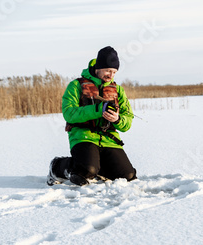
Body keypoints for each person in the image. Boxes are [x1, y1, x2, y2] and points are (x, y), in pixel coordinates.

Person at [47, 46, 137, 186]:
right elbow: (69, 114)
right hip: (83, 137)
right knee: (86, 170)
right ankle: (57, 167)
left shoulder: (118, 90)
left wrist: (118, 119)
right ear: (97, 67)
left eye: (114, 72)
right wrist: (97, 109)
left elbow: (128, 121)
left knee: (128, 175)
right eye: (107, 70)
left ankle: (98, 168)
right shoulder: (76, 85)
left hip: (109, 139)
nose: (111, 75)